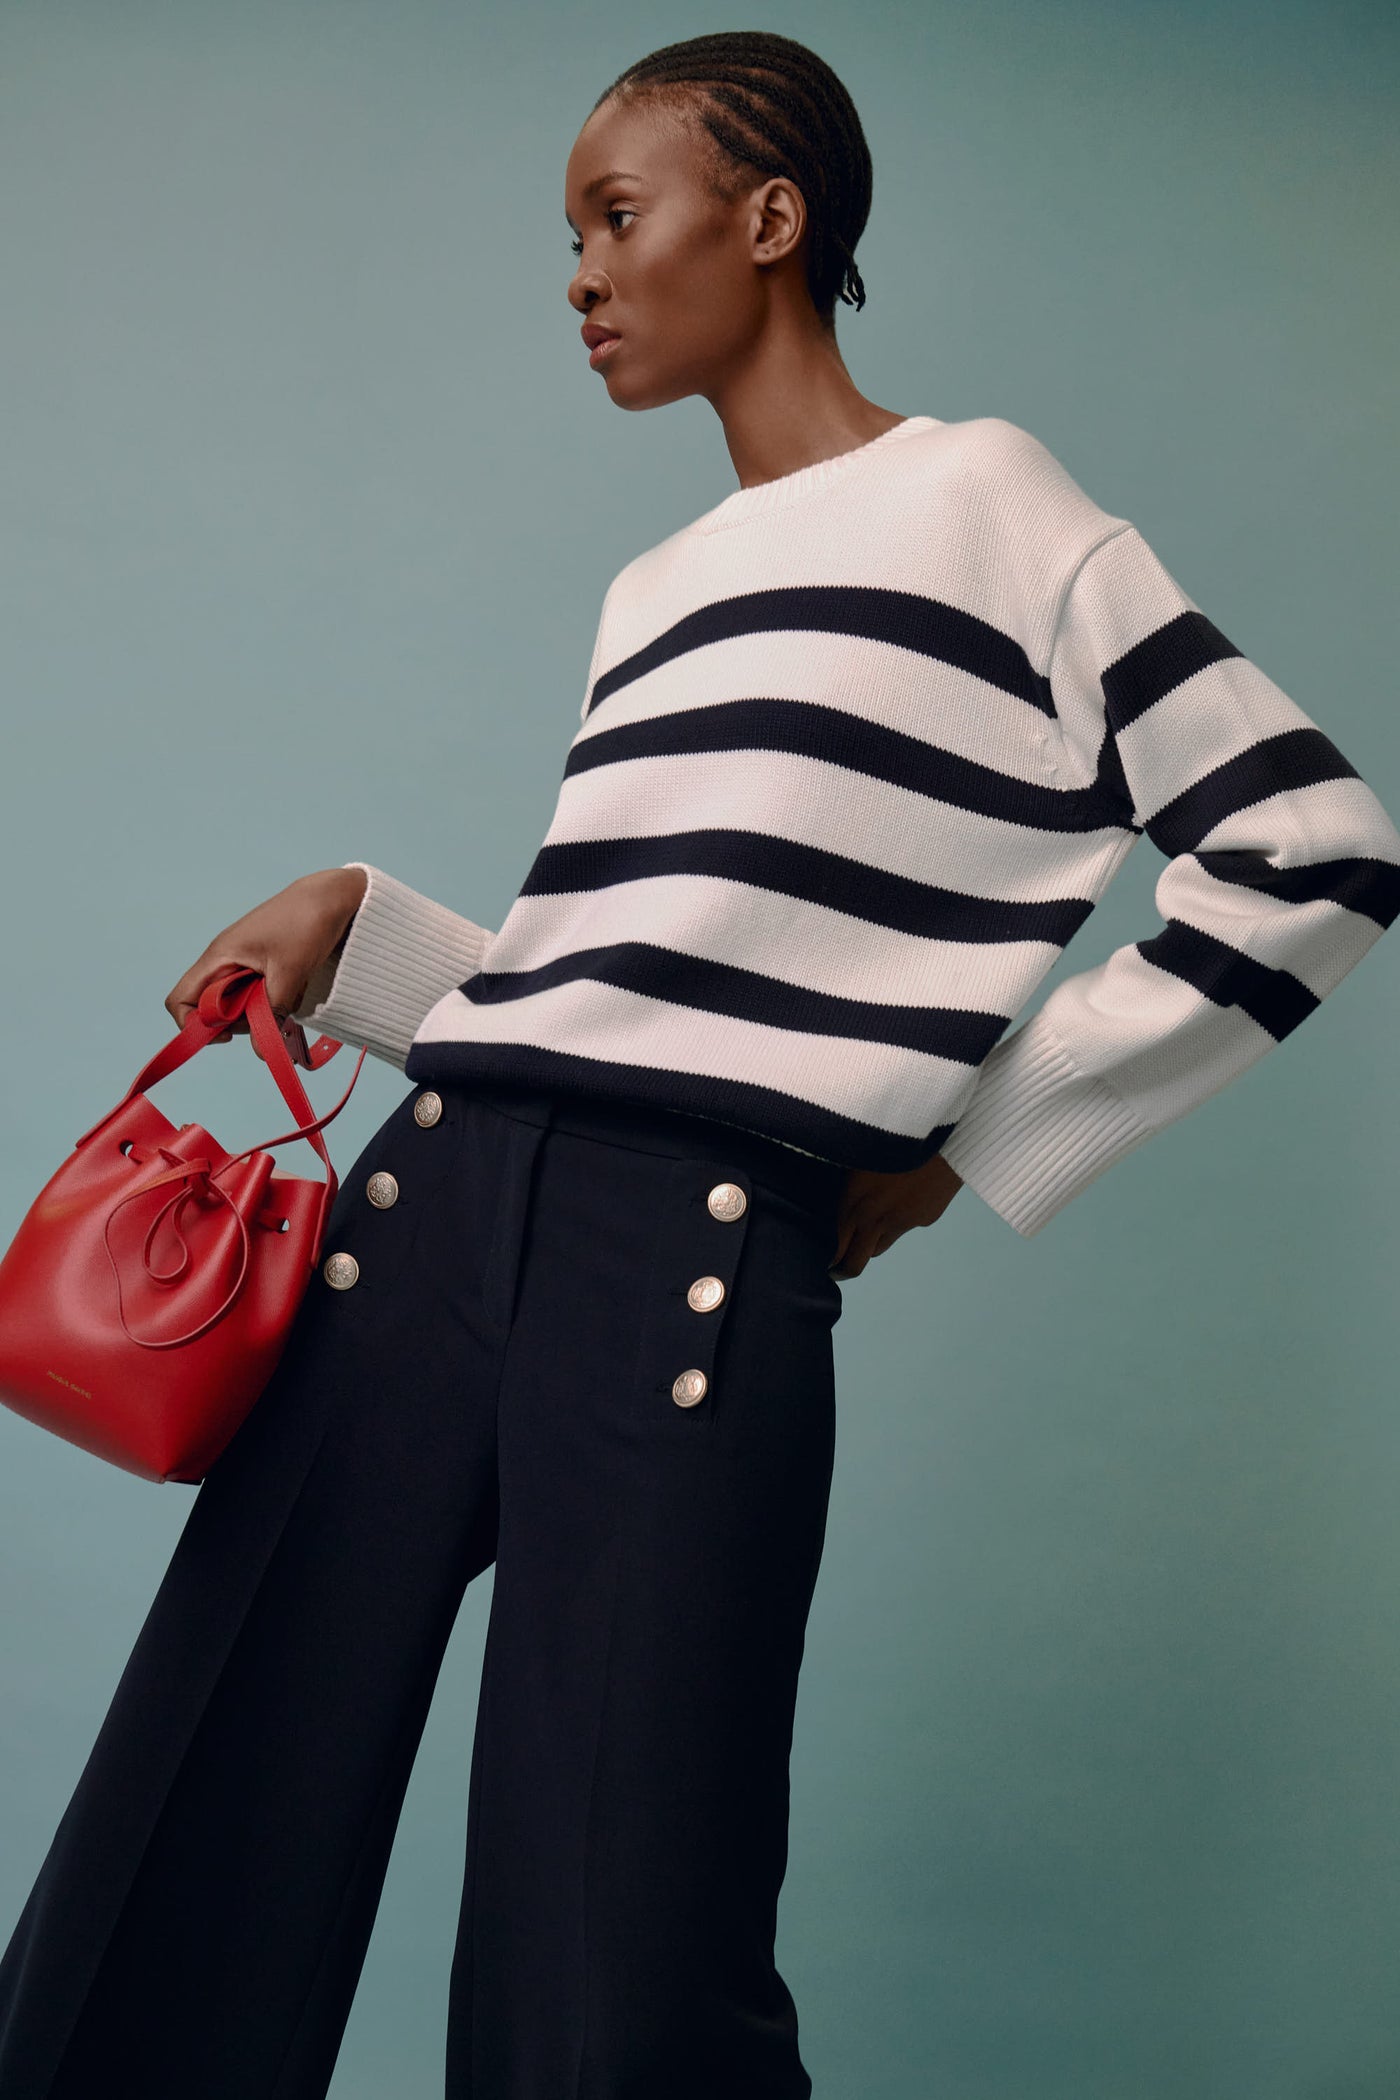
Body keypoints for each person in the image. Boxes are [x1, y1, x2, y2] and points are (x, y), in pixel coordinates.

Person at [2, 27, 1396, 2100]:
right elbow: (625, 980)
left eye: (613, 216)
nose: (576, 271)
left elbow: (1317, 844)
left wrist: (971, 1141)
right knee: (205, 1803)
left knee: (618, 1927)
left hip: (697, 1254)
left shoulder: (992, 502)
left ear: (772, 219)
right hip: (442, 1195)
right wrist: (360, 922)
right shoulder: (651, 588)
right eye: (566, 231)